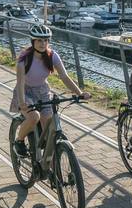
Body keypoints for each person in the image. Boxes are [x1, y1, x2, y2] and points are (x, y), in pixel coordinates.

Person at [12, 23, 90, 159]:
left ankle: (48, 160)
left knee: (48, 123)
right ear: (33, 41)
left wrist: (80, 93)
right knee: (34, 117)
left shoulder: (52, 56)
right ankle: (19, 141)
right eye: (39, 40)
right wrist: (23, 102)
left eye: (46, 40)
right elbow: (20, 82)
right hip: (25, 92)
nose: (43, 43)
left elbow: (64, 77)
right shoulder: (24, 58)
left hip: (43, 91)